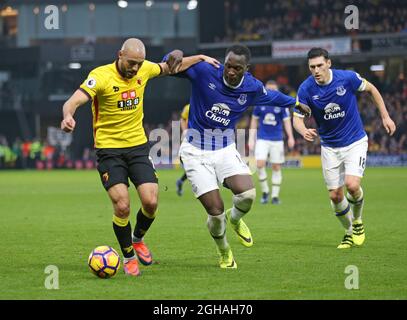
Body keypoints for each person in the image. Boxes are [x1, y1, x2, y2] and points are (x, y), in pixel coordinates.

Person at [60, 38, 220, 276]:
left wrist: (199, 58)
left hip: (137, 147)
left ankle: (137, 238)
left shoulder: (144, 68)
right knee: (122, 206)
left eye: (139, 64)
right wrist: (67, 116)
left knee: (151, 202)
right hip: (109, 149)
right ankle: (128, 256)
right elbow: (73, 101)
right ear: (120, 55)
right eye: (131, 63)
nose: (135, 68)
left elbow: (169, 67)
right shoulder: (101, 76)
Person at [168, 44, 310, 268]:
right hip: (195, 151)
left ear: (247, 68)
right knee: (214, 211)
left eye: (237, 68)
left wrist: (295, 103)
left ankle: (234, 219)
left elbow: (271, 97)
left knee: (247, 195)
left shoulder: (251, 86)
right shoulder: (206, 70)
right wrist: (176, 53)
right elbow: (171, 65)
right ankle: (224, 251)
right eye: (228, 66)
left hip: (225, 148)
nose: (231, 72)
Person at [293, 47, 396, 249]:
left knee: (352, 185)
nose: (316, 70)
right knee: (335, 196)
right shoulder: (306, 89)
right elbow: (297, 118)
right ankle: (349, 231)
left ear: (329, 63)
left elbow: (372, 89)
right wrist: (302, 130)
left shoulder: (347, 78)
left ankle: (357, 221)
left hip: (355, 142)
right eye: (312, 67)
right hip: (329, 147)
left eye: (320, 65)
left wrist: (385, 115)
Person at [248, 80, 295, 205]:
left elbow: (287, 122)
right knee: (259, 164)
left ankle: (275, 196)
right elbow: (253, 122)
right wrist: (250, 139)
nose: (271, 92)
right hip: (262, 139)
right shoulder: (259, 104)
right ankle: (265, 192)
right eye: (269, 89)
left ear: (277, 90)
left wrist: (291, 137)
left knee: (276, 166)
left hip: (277, 140)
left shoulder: (281, 105)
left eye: (273, 89)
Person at [175, 103, 190, 196]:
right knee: (192, 166)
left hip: (203, 138)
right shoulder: (189, 107)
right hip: (191, 138)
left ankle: (180, 181)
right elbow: (182, 119)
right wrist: (185, 131)